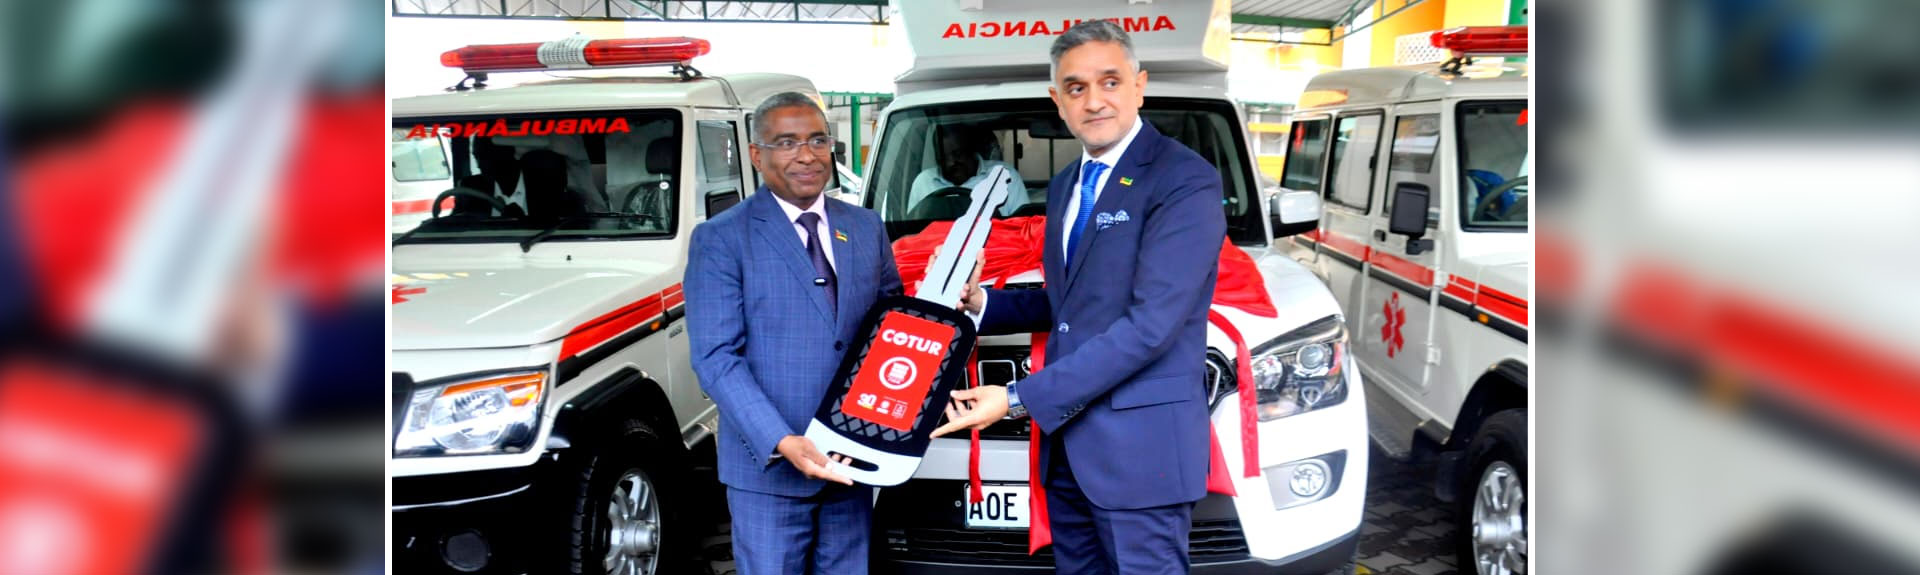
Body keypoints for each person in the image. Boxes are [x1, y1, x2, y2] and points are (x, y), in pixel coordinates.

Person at [930, 20, 1227, 575]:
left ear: (1139, 86)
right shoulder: (1068, 183)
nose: (1093, 101)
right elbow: (1072, 303)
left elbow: (1150, 326)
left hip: (1140, 455)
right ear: (1057, 101)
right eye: (1076, 87)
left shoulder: (1183, 179)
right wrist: (981, 303)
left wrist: (1015, 398)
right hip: (1068, 449)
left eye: (1110, 82)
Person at [684, 91, 903, 575]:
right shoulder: (722, 238)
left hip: (851, 458)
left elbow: (891, 326)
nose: (807, 155)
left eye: (818, 140)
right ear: (756, 155)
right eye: (787, 143)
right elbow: (716, 358)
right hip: (769, 470)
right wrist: (781, 440)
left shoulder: (865, 226)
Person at [908, 123, 1030, 216]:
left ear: (971, 151)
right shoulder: (923, 183)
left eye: (957, 154)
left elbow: (1023, 227)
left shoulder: (1005, 176)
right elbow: (912, 232)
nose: (951, 163)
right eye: (943, 158)